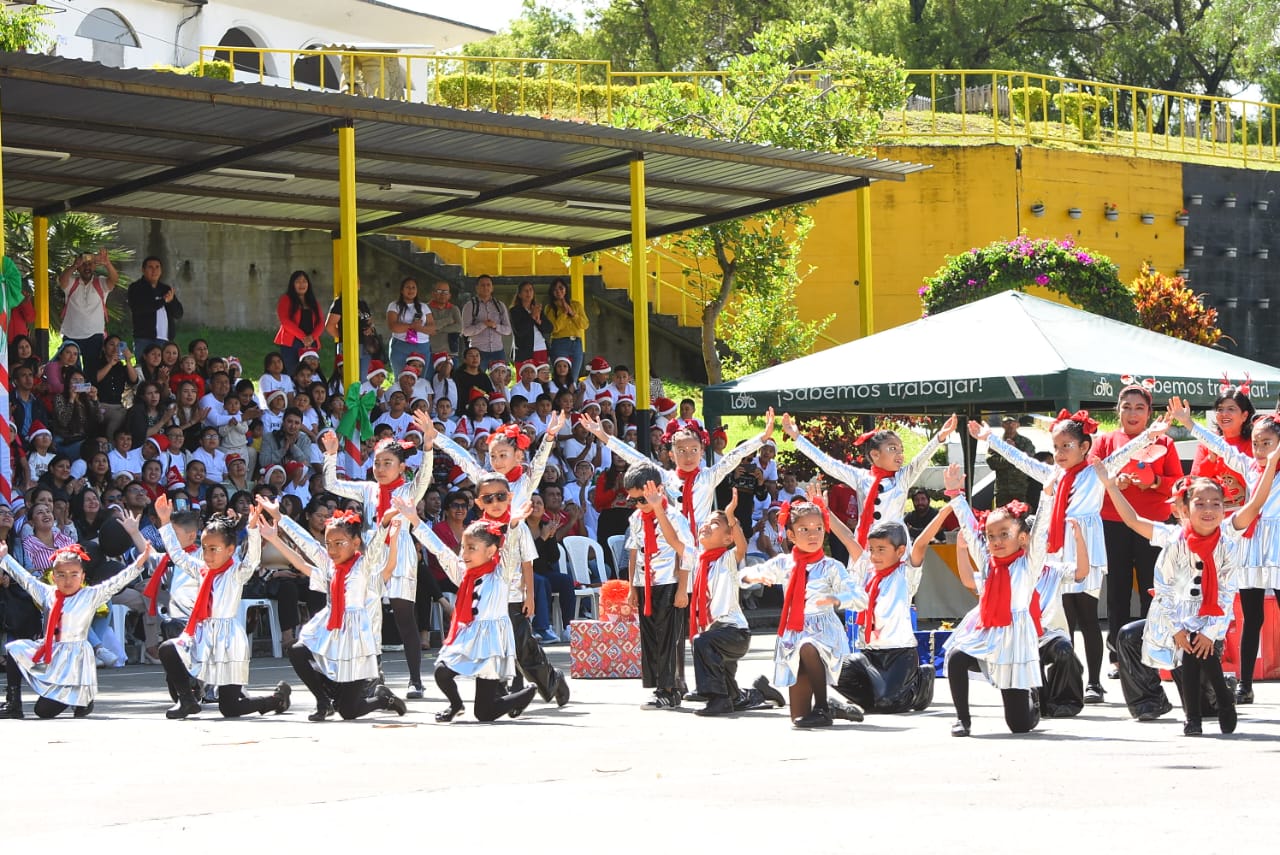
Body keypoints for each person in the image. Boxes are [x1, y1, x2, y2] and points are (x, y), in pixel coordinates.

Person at [971, 409, 1167, 705]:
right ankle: (1067, 681)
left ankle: (1094, 683)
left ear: (1085, 447)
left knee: (1087, 615)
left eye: (1067, 446)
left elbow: (1124, 453)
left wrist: (1149, 435)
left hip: (1085, 546)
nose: (1060, 453)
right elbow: (1022, 460)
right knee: (1062, 618)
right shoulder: (1052, 474)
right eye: (1056, 447)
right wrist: (991, 439)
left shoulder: (1095, 471)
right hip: (1057, 548)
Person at [1101, 449, 1280, 734]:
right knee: (1129, 636)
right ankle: (1155, 704)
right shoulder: (1173, 538)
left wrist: (1271, 463)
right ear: (1183, 509)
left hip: (1210, 623)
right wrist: (1111, 486)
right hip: (1173, 620)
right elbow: (1134, 522)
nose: (1208, 509)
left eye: (1216, 503)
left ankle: (1217, 699)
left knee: (1199, 652)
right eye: (1199, 503)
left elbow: (1255, 505)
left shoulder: (1227, 537)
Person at [1168, 394, 1280, 705]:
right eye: (1256, 443)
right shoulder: (1248, 465)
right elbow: (1220, 447)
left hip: (1277, 545)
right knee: (1251, 616)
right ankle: (1245, 683)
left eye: (1268, 444)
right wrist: (1189, 423)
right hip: (1250, 544)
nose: (1260, 450)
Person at [263, 507, 408, 721]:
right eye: (328, 544)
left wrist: (385, 523)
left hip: (354, 636)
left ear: (356, 542)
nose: (332, 550)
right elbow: (305, 550)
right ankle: (323, 701)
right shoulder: (329, 566)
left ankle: (382, 699)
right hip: (330, 626)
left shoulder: (363, 566)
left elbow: (377, 548)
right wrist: (277, 525)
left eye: (339, 543)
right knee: (297, 651)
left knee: (348, 711)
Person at [320, 429, 433, 697]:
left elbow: (424, 477)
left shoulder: (408, 490)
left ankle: (415, 680)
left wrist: (428, 448)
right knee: (370, 617)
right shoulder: (368, 489)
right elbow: (332, 484)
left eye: (387, 463)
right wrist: (331, 455)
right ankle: (374, 675)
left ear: (402, 467)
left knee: (404, 615)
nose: (380, 469)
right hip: (372, 554)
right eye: (377, 463)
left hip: (400, 552)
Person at [155, 499, 292, 719]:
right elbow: (178, 556)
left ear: (230, 550)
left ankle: (276, 700)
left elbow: (252, 559)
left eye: (214, 549)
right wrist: (165, 523)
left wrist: (252, 529)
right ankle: (187, 700)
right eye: (204, 548)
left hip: (227, 640)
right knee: (168, 648)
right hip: (201, 633)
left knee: (230, 708)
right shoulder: (201, 569)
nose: (207, 555)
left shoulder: (236, 573)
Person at [831, 489, 958, 720]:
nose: (874, 555)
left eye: (881, 550)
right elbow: (848, 538)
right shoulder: (867, 570)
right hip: (869, 652)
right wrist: (824, 511)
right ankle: (877, 695)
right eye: (872, 549)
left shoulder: (905, 574)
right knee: (831, 670)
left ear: (900, 551)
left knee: (887, 703)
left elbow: (921, 543)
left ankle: (919, 683)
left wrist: (944, 512)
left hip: (899, 654)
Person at [410, 510, 539, 722]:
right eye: (463, 547)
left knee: (484, 713)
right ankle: (456, 704)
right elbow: (440, 550)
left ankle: (524, 695)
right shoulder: (463, 572)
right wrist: (415, 520)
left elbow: (511, 552)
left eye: (472, 548)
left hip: (490, 642)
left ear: (491, 551)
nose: (465, 554)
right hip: (467, 635)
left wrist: (514, 525)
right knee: (442, 672)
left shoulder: (501, 574)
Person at [943, 488, 1051, 737]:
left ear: (1022, 538)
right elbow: (971, 531)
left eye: (1004, 534)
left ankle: (1032, 699)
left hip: (1015, 640)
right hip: (989, 632)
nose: (996, 541)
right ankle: (962, 719)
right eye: (991, 536)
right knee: (957, 657)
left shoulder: (1028, 563)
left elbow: (1040, 530)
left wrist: (1047, 496)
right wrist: (956, 495)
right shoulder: (987, 562)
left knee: (1019, 726)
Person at [0, 542, 152, 718]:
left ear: (82, 576)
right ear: (53, 577)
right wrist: (5, 557)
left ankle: (81, 698)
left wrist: (138, 564)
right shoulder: (47, 593)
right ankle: (14, 703)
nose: (68, 580)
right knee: (15, 649)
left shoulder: (89, 595)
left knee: (42, 711)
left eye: (74, 574)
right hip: (50, 650)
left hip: (74, 659)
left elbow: (116, 583)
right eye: (61, 575)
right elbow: (26, 579)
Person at [1093, 381, 1183, 677]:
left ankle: (1151, 653)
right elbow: (1090, 479)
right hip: (1113, 521)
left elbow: (1178, 484)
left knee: (1153, 588)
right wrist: (1112, 484)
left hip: (1154, 525)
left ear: (1149, 413)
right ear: (1117, 410)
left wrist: (1154, 482)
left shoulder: (1164, 442)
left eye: (1139, 408)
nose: (1133, 414)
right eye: (1127, 407)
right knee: (1117, 590)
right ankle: (1119, 657)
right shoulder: (1105, 441)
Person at [744, 497, 856, 728]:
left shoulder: (832, 567)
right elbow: (743, 576)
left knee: (808, 645)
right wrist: (753, 577)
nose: (813, 534)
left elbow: (858, 596)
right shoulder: (784, 563)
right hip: (793, 631)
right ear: (791, 535)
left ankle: (823, 708)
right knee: (798, 718)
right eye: (804, 529)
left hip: (822, 630)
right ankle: (834, 707)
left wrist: (838, 599)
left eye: (818, 528)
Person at [583, 408, 776, 534]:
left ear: (702, 452)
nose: (688, 456)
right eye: (681, 451)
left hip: (702, 542)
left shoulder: (708, 477)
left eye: (694, 450)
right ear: (671, 455)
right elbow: (637, 458)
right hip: (672, 540)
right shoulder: (667, 477)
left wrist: (762, 437)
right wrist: (604, 436)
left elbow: (734, 456)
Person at [784, 413, 958, 549]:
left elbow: (920, 460)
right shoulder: (861, 478)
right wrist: (798, 438)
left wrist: (939, 438)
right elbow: (828, 464)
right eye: (893, 448)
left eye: (901, 450)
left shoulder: (902, 478)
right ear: (875, 454)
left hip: (896, 546)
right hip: (866, 546)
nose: (900, 454)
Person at [687, 490, 786, 717]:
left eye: (714, 524)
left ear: (727, 538)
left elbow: (741, 545)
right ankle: (759, 692)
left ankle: (718, 700)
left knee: (701, 642)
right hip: (715, 631)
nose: (706, 526)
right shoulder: (700, 562)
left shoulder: (727, 558)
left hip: (733, 632)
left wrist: (731, 517)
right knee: (733, 696)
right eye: (705, 523)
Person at [625, 463, 695, 710]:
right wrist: (632, 587)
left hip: (669, 582)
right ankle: (661, 686)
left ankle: (669, 689)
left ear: (659, 490)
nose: (640, 505)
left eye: (643, 499)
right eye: (634, 500)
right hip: (645, 583)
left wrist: (682, 588)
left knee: (668, 637)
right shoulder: (636, 519)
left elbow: (686, 552)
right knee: (651, 637)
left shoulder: (674, 517)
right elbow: (634, 552)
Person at [58, 249, 117, 375]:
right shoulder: (72, 282)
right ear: (79, 267)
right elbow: (62, 280)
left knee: (91, 372)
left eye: (90, 264)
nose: (87, 267)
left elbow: (113, 280)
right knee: (70, 372)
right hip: (71, 334)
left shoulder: (100, 282)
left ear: (95, 266)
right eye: (84, 264)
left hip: (94, 335)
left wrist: (107, 263)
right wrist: (74, 265)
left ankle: (90, 389)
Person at [126, 256, 182, 356]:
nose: (154, 270)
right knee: (142, 365)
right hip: (144, 339)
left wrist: (171, 301)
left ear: (161, 270)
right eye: (150, 267)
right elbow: (139, 308)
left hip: (165, 340)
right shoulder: (136, 288)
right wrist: (163, 301)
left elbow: (178, 313)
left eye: (157, 267)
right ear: (143, 270)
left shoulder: (166, 289)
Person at [274, 270, 325, 375]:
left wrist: (312, 338)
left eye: (304, 281)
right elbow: (285, 320)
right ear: (292, 284)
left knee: (311, 374)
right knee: (293, 373)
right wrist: (303, 337)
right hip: (292, 344)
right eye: (298, 281)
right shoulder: (286, 299)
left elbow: (321, 322)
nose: (302, 284)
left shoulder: (313, 302)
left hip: (311, 342)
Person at [386, 277, 436, 372]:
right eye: (408, 287)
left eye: (413, 288)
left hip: (422, 346)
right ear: (402, 290)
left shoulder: (424, 307)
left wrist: (419, 328)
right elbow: (393, 326)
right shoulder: (394, 305)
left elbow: (433, 329)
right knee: (401, 376)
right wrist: (411, 326)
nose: (411, 290)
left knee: (421, 377)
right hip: (401, 345)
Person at [461, 274, 511, 367]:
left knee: (500, 376)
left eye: (488, 285)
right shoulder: (470, 306)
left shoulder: (500, 305)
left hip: (498, 351)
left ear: (492, 288)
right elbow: (465, 331)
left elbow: (508, 330)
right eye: (482, 285)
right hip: (478, 352)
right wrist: (483, 325)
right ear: (477, 288)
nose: (486, 288)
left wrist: (495, 326)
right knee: (477, 376)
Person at [545, 277, 588, 382]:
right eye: (555, 289)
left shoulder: (576, 305)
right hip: (560, 343)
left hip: (576, 343)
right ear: (552, 292)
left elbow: (584, 324)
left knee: (574, 377)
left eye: (561, 288)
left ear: (566, 289)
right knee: (561, 377)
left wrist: (572, 314)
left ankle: (572, 392)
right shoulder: (550, 308)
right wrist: (564, 313)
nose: (559, 291)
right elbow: (554, 328)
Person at [987, 416, 1036, 507]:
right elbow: (992, 462)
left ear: (1018, 425)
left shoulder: (1026, 442)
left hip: (1021, 489)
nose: (1010, 425)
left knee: (1021, 513)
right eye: (1007, 423)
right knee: (1001, 514)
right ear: (1002, 425)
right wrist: (1010, 455)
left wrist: (1013, 451)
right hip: (1002, 489)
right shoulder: (997, 442)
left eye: (1013, 423)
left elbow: (1027, 462)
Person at [509, 280, 552, 364]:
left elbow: (549, 328)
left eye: (531, 290)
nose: (528, 292)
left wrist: (539, 322)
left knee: (542, 372)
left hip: (541, 348)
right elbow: (520, 331)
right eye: (525, 290)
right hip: (523, 351)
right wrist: (532, 316)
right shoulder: (514, 311)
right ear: (519, 294)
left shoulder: (537, 308)